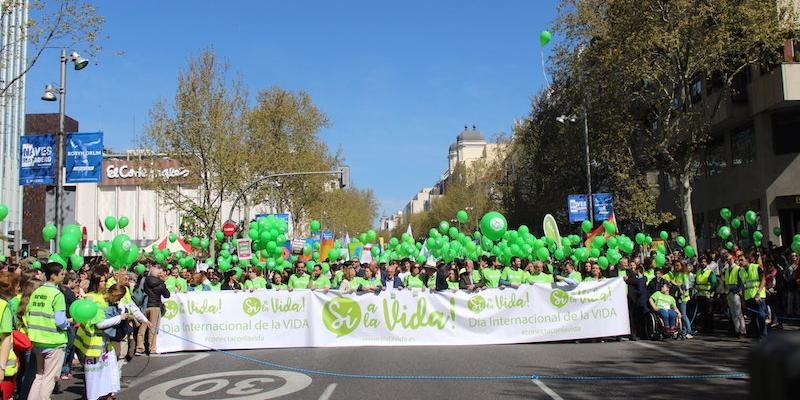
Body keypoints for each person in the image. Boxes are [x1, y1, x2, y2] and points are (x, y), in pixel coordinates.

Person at [26, 262, 70, 400]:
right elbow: (60, 321)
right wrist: (68, 323)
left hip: (37, 340)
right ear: (53, 276)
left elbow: (28, 314)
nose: (63, 276)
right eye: (61, 274)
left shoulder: (36, 292)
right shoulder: (57, 294)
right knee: (49, 378)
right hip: (54, 341)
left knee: (39, 376)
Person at [135, 266, 170, 356]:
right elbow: (167, 295)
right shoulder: (160, 283)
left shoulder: (144, 280)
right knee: (152, 328)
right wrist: (163, 281)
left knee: (142, 327)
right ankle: (152, 349)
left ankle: (139, 348)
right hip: (155, 306)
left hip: (145, 305)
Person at [0, 272, 19, 400]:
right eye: (17, 285)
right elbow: (6, 338)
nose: (19, 288)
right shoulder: (3, 306)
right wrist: (1, 368)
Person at [741, 254, 767, 340]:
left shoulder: (756, 267)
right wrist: (744, 300)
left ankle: (763, 337)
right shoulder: (741, 272)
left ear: (747, 260)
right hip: (749, 297)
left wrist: (758, 293)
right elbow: (744, 287)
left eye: (742, 260)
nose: (740, 262)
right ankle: (756, 336)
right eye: (739, 260)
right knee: (753, 318)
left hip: (758, 296)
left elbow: (763, 279)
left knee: (761, 316)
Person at [722, 254, 747, 338]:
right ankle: (737, 330)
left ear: (733, 259)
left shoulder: (738, 269)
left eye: (730, 259)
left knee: (738, 312)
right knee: (733, 313)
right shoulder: (726, 270)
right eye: (727, 259)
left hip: (735, 292)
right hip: (729, 292)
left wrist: (737, 290)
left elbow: (741, 281)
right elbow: (725, 281)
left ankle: (742, 331)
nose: (728, 261)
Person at [694, 257, 717, 334]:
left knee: (709, 313)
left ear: (707, 263)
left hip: (707, 295)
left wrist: (710, 293)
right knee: (702, 313)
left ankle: (710, 328)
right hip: (700, 294)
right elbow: (696, 283)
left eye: (704, 262)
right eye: (701, 262)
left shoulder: (710, 272)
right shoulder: (698, 272)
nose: (703, 263)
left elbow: (714, 283)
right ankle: (704, 327)